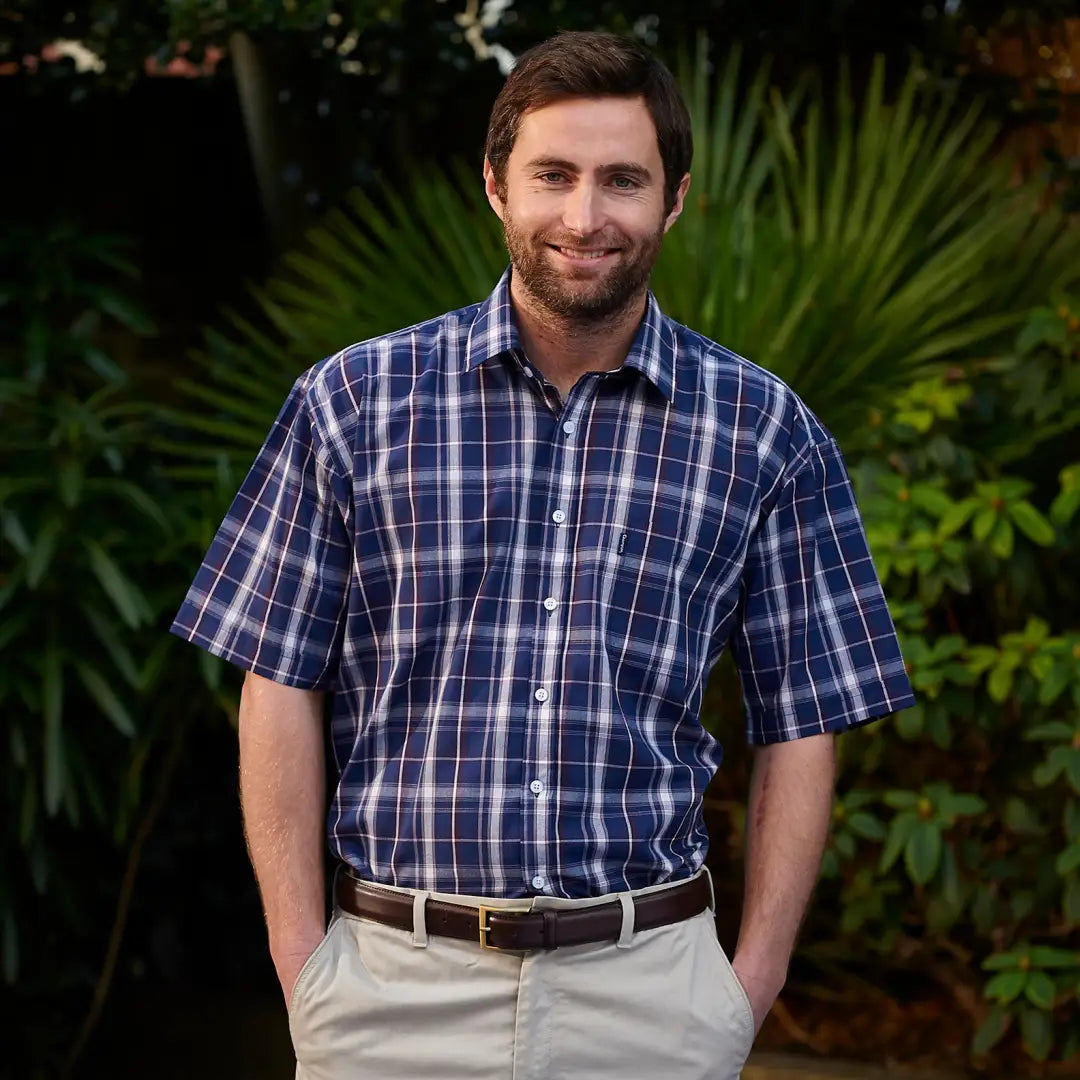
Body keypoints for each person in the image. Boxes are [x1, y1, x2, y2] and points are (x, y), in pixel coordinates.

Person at [173, 29, 914, 1080]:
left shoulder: (763, 431)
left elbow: (806, 717)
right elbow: (276, 678)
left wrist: (748, 988)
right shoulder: (352, 403)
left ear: (676, 197)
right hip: (391, 994)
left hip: (650, 998)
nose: (584, 216)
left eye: (623, 180)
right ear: (495, 186)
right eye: (553, 176)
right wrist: (306, 967)